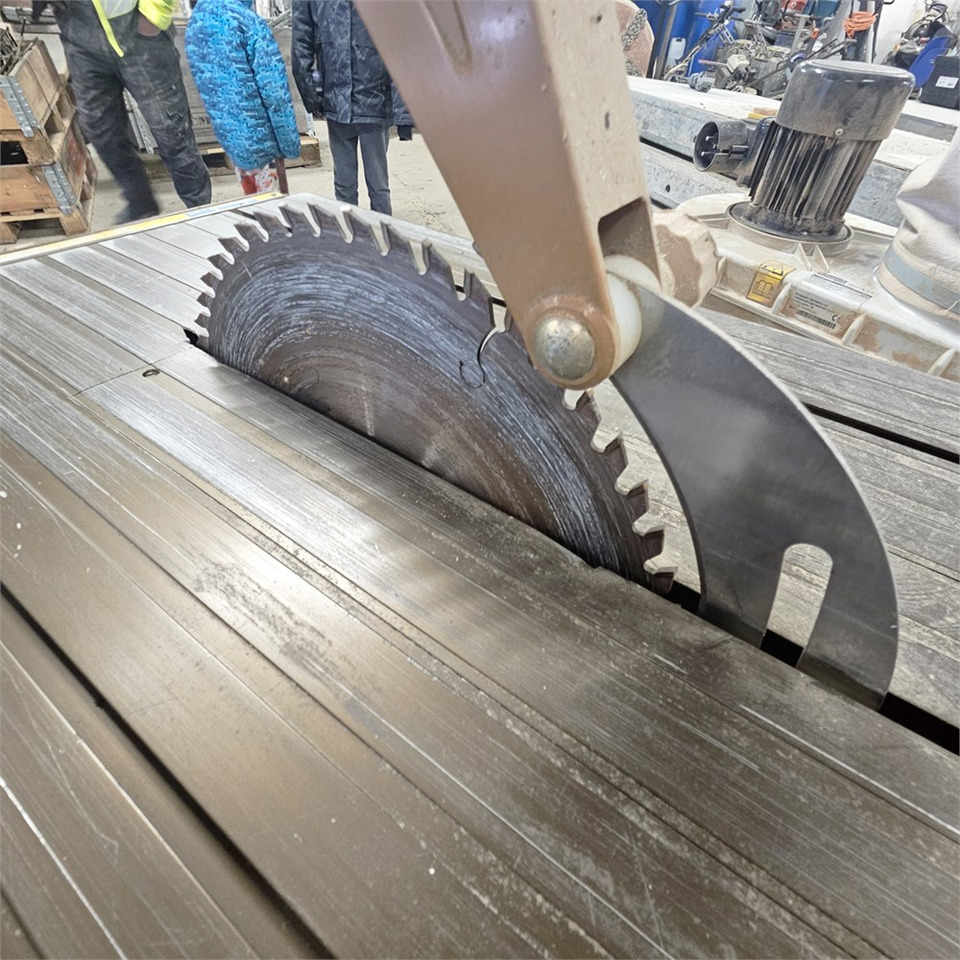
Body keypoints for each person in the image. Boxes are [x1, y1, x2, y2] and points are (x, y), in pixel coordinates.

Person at [39, 0, 211, 223]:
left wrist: (154, 14)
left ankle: (200, 208)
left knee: (171, 129)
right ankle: (141, 203)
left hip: (137, 31)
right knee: (100, 130)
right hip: (78, 33)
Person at [291, 0, 412, 216]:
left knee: (349, 187)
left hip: (360, 101)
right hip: (359, 100)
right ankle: (379, 232)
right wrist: (313, 97)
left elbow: (399, 45)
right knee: (375, 186)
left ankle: (356, 231)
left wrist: (314, 98)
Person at [185, 0, 301, 196]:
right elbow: (274, 91)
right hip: (263, 141)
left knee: (253, 199)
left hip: (231, 136)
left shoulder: (196, 22)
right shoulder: (246, 21)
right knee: (274, 204)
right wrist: (289, 143)